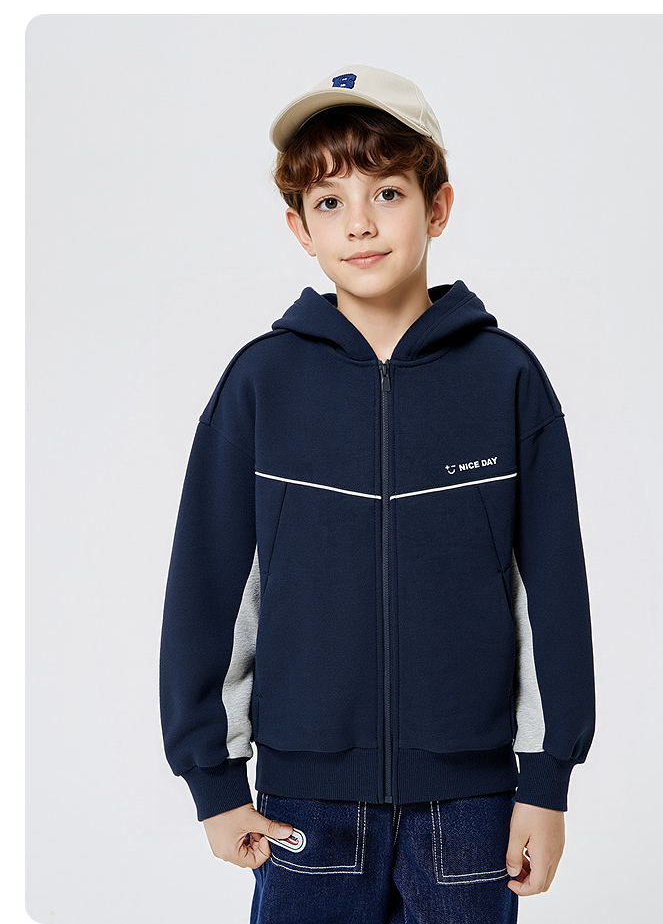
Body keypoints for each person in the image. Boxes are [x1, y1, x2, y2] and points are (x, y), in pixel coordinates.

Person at [159, 64, 596, 923]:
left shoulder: (506, 380)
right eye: (329, 201)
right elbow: (210, 591)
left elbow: (551, 594)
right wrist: (214, 779)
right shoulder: (261, 385)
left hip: (472, 808)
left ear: (438, 206)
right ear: (299, 226)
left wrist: (547, 781)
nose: (359, 222)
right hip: (306, 808)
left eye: (387, 192)